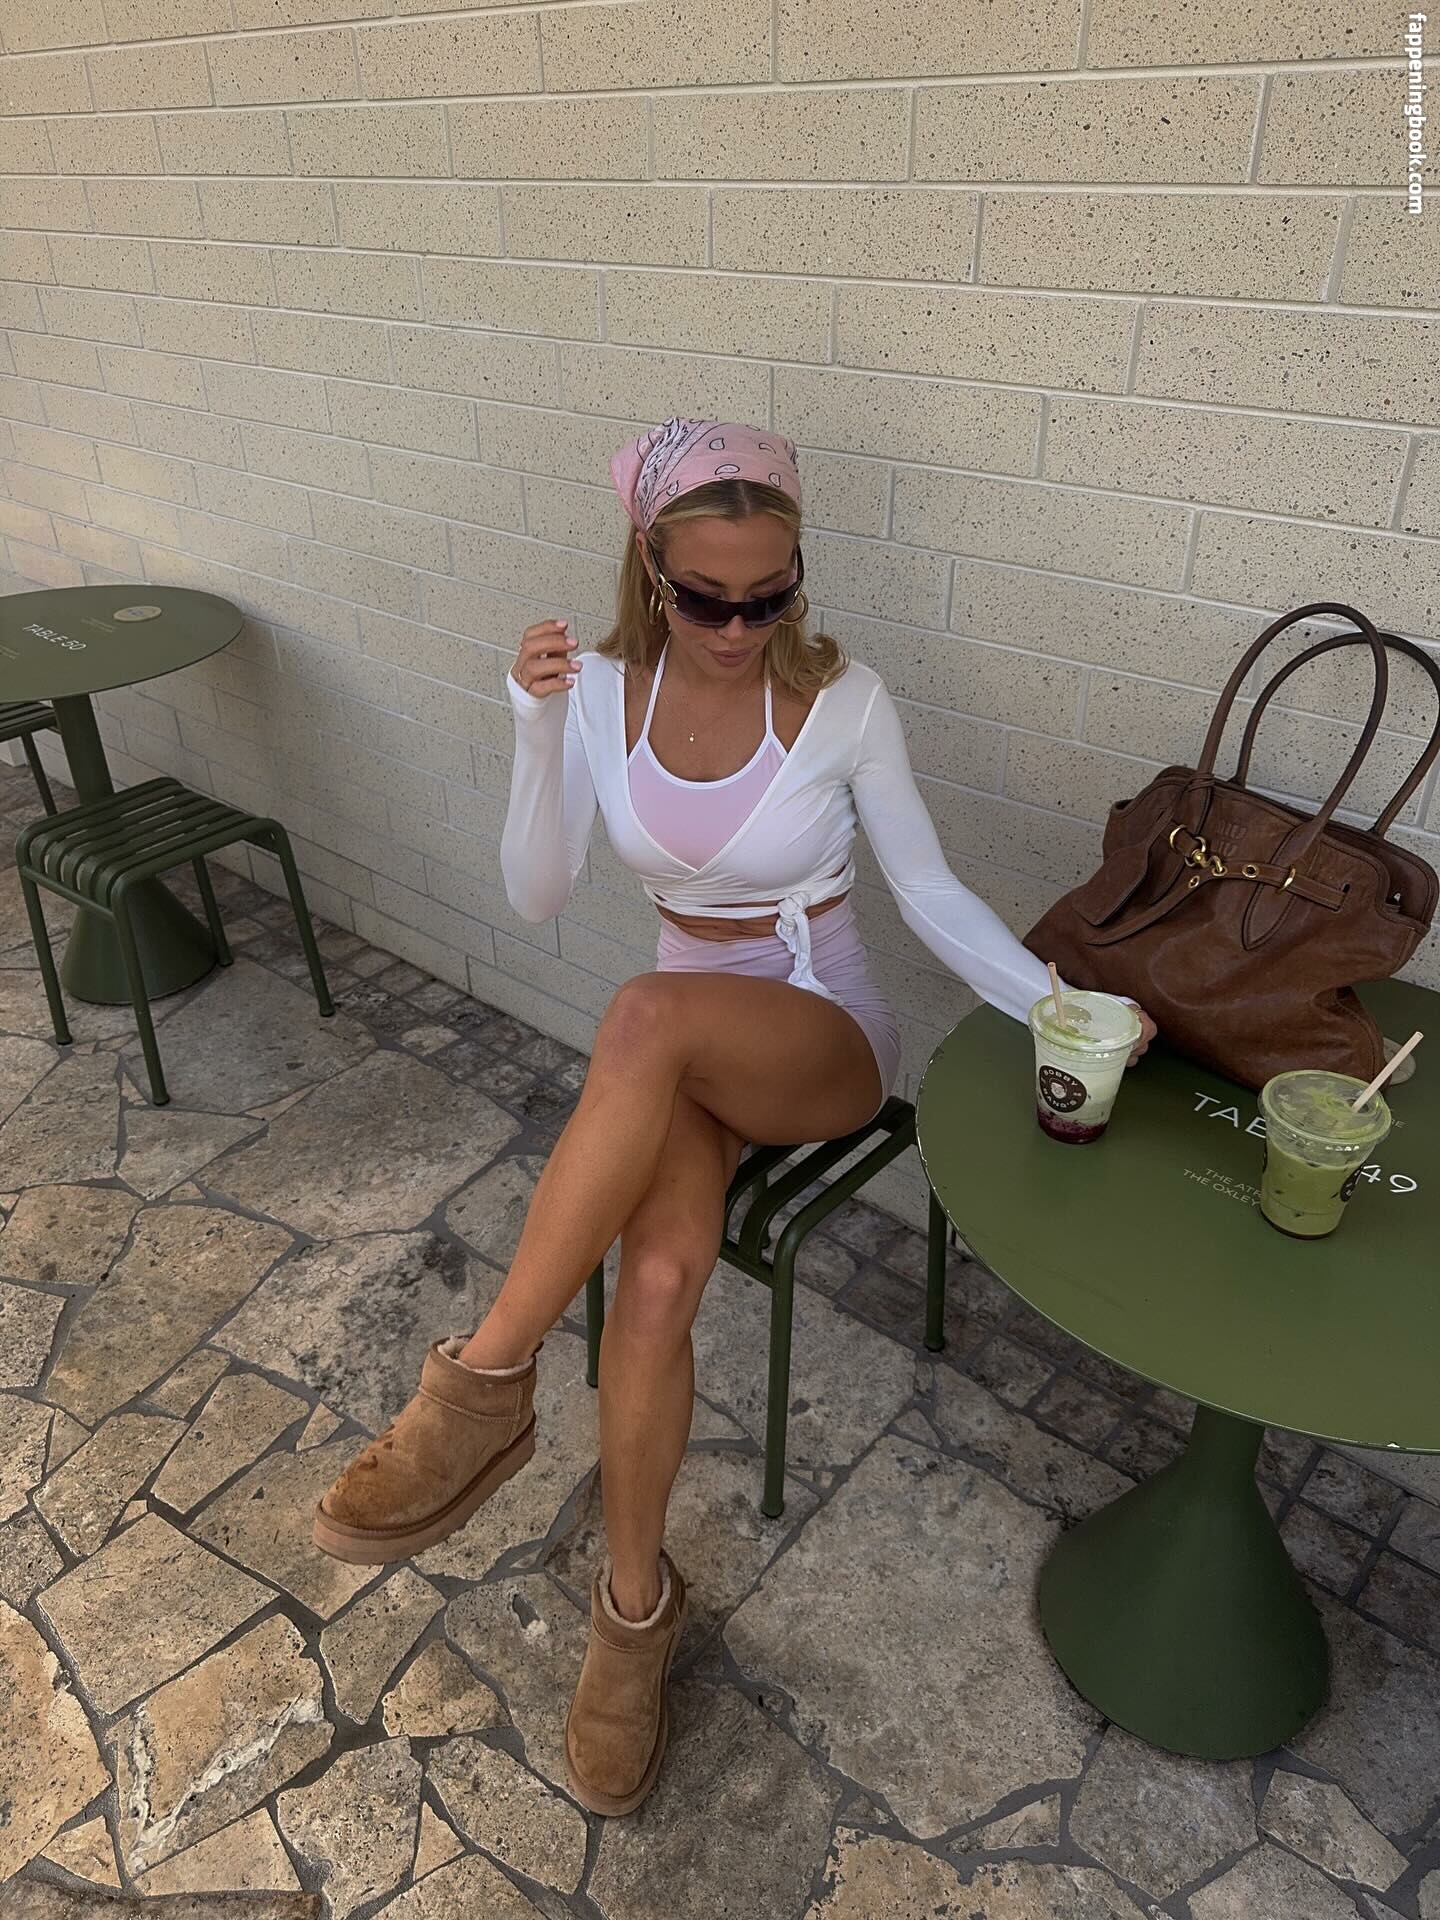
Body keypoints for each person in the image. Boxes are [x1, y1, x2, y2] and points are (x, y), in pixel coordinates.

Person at [313, 417, 1155, 1816]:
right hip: (685, 1059)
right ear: (651, 570)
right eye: (707, 598)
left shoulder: (845, 703)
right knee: (654, 1282)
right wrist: (532, 726)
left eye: (771, 597)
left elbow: (929, 894)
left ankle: (480, 1389)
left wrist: (1066, 1008)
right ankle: (633, 1616)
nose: (737, 627)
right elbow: (538, 894)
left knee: (642, 1016)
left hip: (818, 1033)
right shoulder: (596, 691)